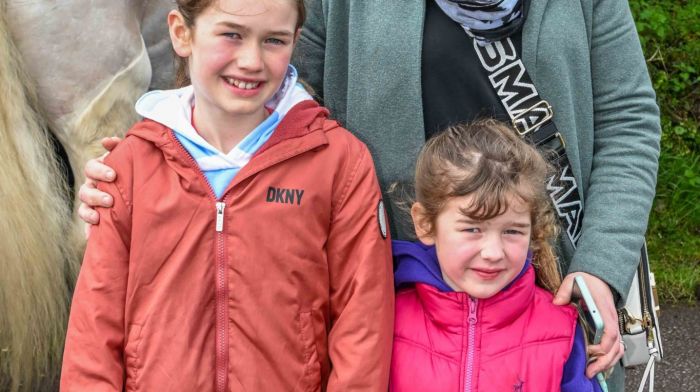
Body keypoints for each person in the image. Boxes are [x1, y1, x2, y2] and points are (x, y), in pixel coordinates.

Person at [79, 0, 661, 389]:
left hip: (537, 276)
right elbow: (275, 89)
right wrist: (152, 164)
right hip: (386, 287)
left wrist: (601, 267)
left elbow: (628, 116)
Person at [60, 0, 393, 390]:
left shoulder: (338, 162)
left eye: (274, 40)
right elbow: (94, 332)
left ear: (295, 41)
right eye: (231, 34)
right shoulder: (131, 165)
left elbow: (363, 322)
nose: (251, 61)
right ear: (182, 33)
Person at [390, 120, 603, 391]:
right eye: (472, 228)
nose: (493, 253)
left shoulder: (560, 329)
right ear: (426, 224)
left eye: (512, 231)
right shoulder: (386, 318)